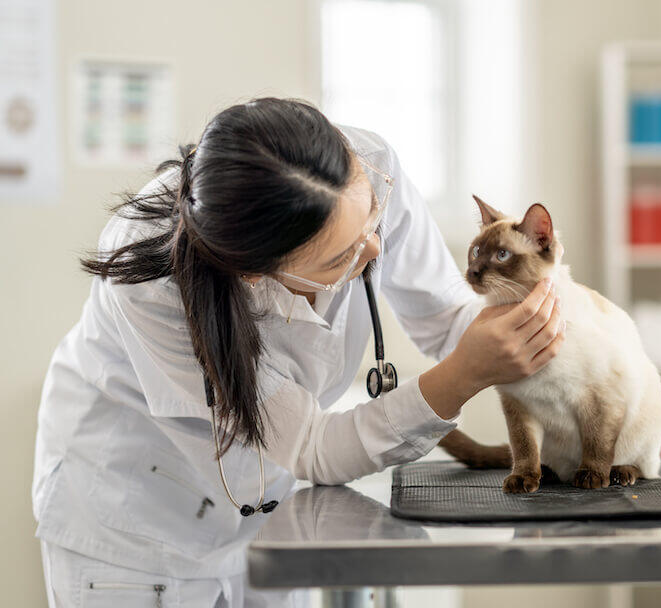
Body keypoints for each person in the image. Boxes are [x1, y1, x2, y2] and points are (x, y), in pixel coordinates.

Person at [31, 97, 565, 606]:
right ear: (255, 273)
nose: (375, 248)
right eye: (343, 257)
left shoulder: (365, 168)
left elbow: (451, 317)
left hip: (268, 513)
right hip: (134, 523)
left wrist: (584, 387)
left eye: (373, 219)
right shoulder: (155, 289)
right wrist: (462, 376)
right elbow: (312, 445)